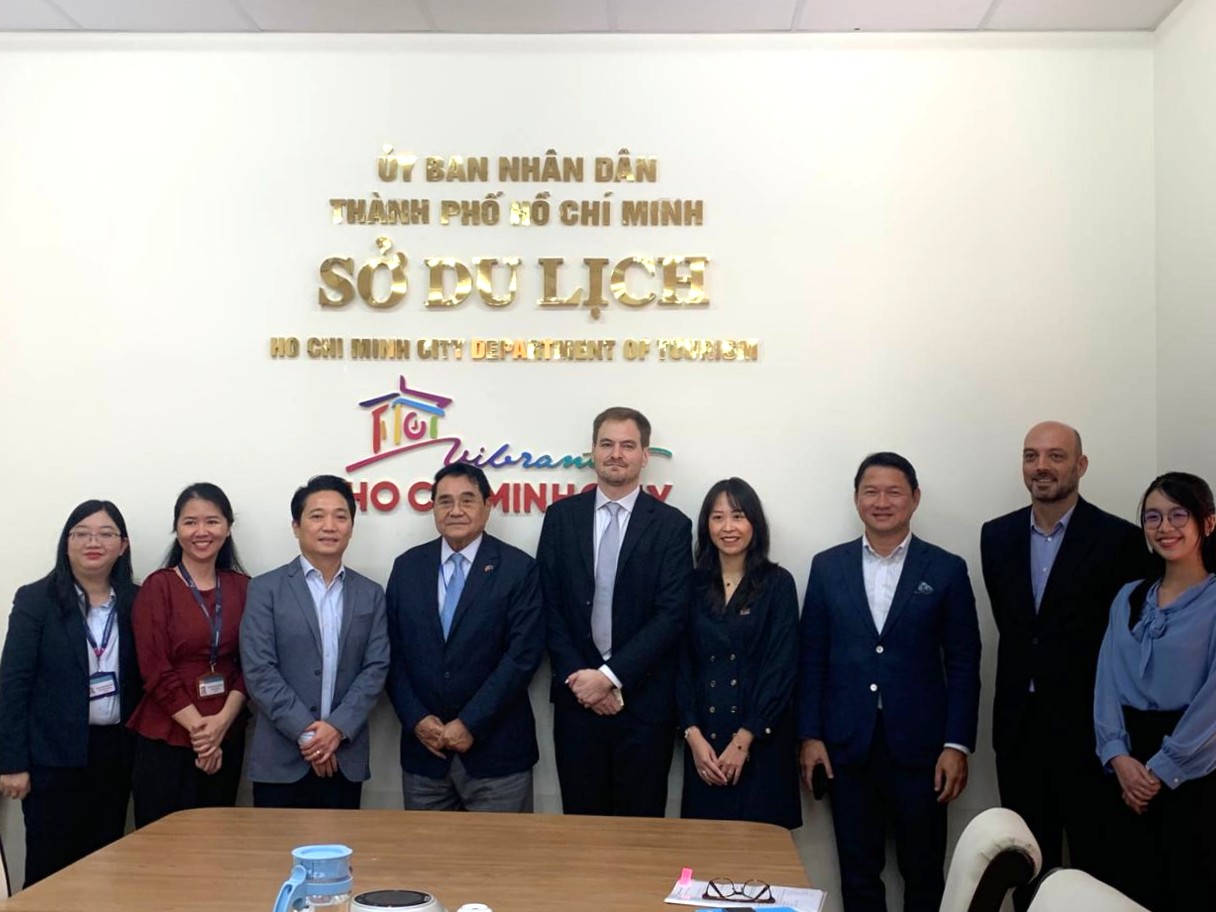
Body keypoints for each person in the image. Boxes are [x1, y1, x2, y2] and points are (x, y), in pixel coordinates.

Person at [798, 452, 981, 912]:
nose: (882, 502)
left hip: (922, 751)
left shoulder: (946, 569)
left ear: (915, 498)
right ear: (856, 499)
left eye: (894, 492)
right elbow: (812, 657)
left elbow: (964, 662)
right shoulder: (828, 567)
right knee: (858, 875)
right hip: (847, 747)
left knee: (924, 874)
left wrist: (956, 745)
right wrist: (810, 736)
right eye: (871, 492)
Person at [981, 421, 1154, 907]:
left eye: (1055, 456)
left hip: (1091, 731)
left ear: (1081, 465)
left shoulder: (1120, 540)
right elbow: (1016, 626)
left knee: (1097, 867)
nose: (1041, 466)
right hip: (1018, 731)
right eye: (1031, 456)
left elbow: (1129, 640)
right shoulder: (995, 536)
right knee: (1025, 865)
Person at [537, 406, 692, 816]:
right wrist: (583, 682)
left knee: (641, 833)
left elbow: (671, 615)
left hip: (643, 705)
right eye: (607, 444)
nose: (616, 454)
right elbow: (548, 606)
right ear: (592, 451)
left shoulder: (672, 526)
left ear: (645, 455)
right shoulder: (560, 518)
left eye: (627, 445)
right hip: (576, 703)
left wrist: (609, 678)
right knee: (582, 828)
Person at [385, 463, 543, 812]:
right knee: (427, 849)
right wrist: (416, 719)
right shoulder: (407, 567)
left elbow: (522, 656)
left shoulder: (518, 568)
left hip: (497, 756)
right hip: (425, 754)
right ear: (433, 509)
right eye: (445, 501)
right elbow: (390, 653)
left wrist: (471, 722)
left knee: (501, 850)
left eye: (467, 500)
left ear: (488, 505)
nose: (455, 510)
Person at [0, 500, 141, 886]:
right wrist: (12, 763)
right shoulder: (36, 600)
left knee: (105, 865)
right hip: (52, 759)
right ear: (67, 543)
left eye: (106, 534)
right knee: (50, 869)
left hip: (115, 754)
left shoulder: (137, 600)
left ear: (123, 545)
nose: (93, 542)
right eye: (82, 533)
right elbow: (13, 684)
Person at [1094, 471, 1216, 911]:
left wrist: (1162, 769)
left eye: (1178, 515)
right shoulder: (1128, 597)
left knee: (1189, 888)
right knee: (1124, 891)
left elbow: (1213, 703)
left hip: (1195, 768)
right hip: (1125, 766)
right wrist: (1117, 755)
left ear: (1207, 522)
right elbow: (1106, 682)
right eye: (1153, 517)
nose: (1165, 527)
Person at [241, 474, 389, 809]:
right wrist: (310, 735)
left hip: (344, 755)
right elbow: (260, 670)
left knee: (340, 843)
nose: (329, 526)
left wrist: (336, 729)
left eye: (340, 516)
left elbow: (376, 668)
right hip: (280, 760)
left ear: (351, 527)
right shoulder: (265, 589)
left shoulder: (370, 593)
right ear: (296, 526)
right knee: (275, 844)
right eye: (317, 516)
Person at [677, 478, 800, 829]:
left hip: (762, 741)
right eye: (717, 518)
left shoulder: (778, 583)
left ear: (754, 523)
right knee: (705, 852)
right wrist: (692, 736)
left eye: (738, 516)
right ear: (706, 526)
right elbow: (681, 665)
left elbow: (781, 667)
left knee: (762, 853)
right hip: (705, 747)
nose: (728, 527)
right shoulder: (691, 585)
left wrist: (745, 739)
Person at [128, 482, 249, 828]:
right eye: (190, 522)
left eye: (212, 521)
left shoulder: (244, 587)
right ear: (177, 528)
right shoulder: (158, 586)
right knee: (163, 845)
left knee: (218, 843)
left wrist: (220, 726)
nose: (201, 531)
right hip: (167, 735)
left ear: (227, 527)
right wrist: (202, 734)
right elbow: (154, 668)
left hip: (227, 733)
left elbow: (253, 664)